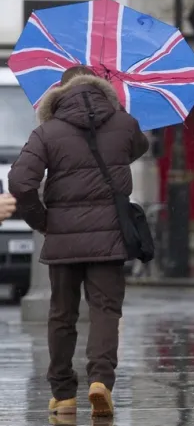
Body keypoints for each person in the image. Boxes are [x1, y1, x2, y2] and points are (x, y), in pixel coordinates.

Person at [8, 65, 149, 419]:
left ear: (60, 91)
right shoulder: (124, 123)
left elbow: (20, 182)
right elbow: (137, 147)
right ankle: (100, 381)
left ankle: (63, 393)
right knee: (105, 310)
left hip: (63, 237)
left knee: (62, 315)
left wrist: (42, 221)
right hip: (110, 236)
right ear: (102, 88)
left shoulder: (48, 131)